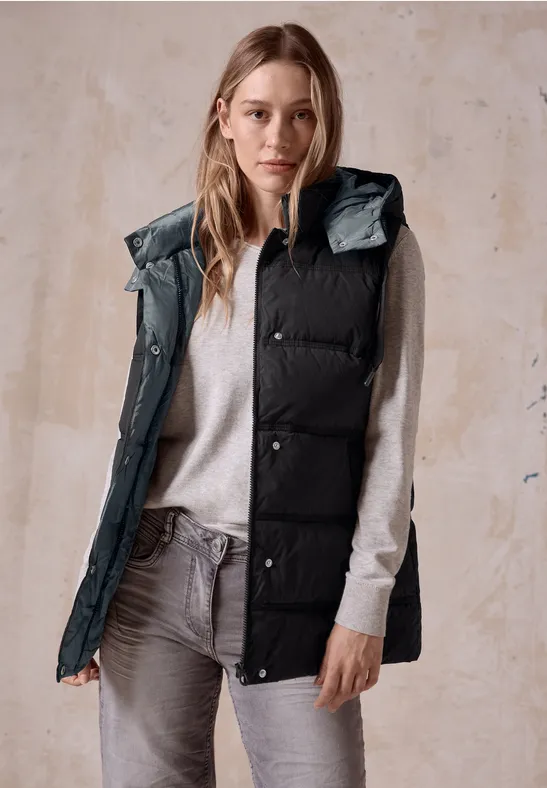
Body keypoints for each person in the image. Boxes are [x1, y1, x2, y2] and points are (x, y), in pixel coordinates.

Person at [57, 22, 425, 788]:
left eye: (301, 114)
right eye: (258, 112)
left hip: (296, 580)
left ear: (325, 121)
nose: (278, 136)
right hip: (154, 575)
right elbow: (139, 438)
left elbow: (389, 434)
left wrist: (364, 606)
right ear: (224, 117)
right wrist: (93, 594)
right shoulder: (176, 255)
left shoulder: (374, 248)